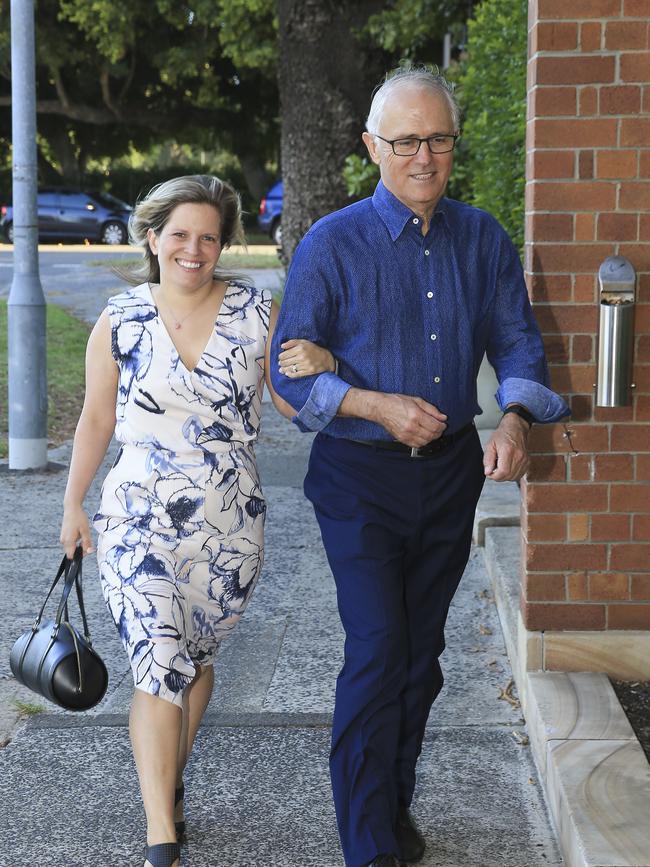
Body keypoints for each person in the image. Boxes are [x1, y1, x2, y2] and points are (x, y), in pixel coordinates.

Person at [271, 67, 569, 867]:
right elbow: (287, 374)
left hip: (449, 476)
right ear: (373, 147)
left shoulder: (484, 238)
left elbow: (516, 342)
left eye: (438, 138)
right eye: (405, 141)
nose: (424, 156)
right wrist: (377, 404)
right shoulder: (331, 244)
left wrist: (512, 417)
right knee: (377, 646)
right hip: (357, 478)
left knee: (420, 656)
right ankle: (368, 846)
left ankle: (391, 805)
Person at [59, 174, 335, 867]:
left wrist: (326, 362)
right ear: (152, 238)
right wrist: (72, 503)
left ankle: (169, 780)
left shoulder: (255, 312)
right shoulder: (120, 319)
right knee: (158, 661)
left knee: (195, 659)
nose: (193, 248)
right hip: (135, 516)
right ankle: (162, 833)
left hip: (229, 525)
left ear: (222, 244)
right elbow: (97, 418)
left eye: (208, 236)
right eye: (179, 234)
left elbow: (292, 399)